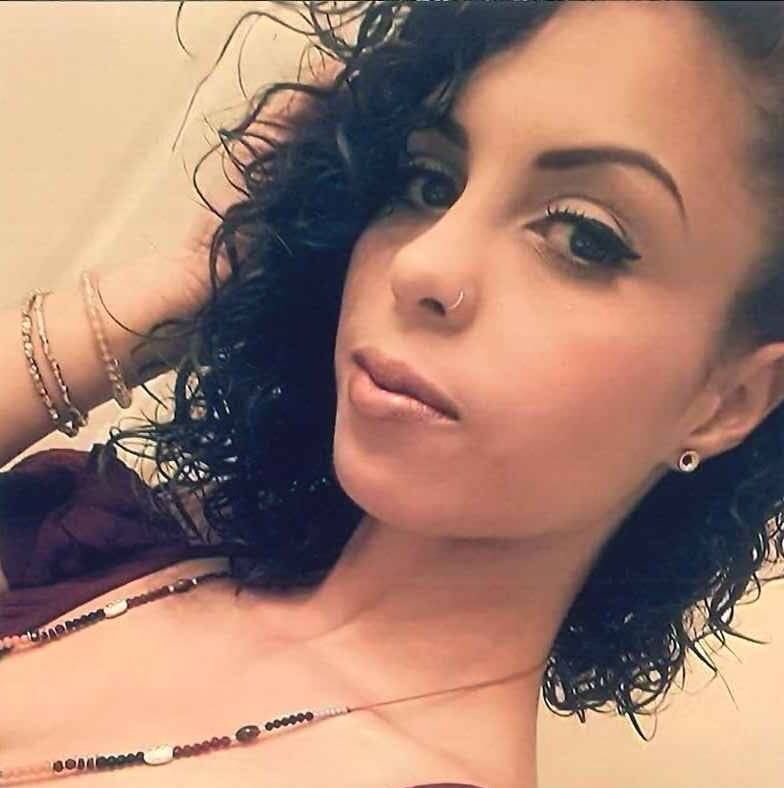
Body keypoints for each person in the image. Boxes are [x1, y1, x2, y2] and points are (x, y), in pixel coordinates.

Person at [3, 1, 784, 785]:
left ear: (727, 401)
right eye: (430, 183)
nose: (420, 265)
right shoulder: (119, 551)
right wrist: (181, 287)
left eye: (583, 237)